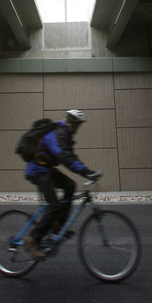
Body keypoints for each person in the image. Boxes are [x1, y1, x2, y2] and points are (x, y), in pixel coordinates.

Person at [24, 109, 101, 259]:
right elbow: (64, 156)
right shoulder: (58, 133)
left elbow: (71, 157)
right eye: (78, 124)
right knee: (53, 205)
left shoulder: (66, 136)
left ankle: (58, 224)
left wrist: (87, 171)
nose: (79, 128)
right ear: (72, 123)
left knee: (70, 186)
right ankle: (33, 240)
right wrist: (85, 172)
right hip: (37, 170)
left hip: (46, 169)